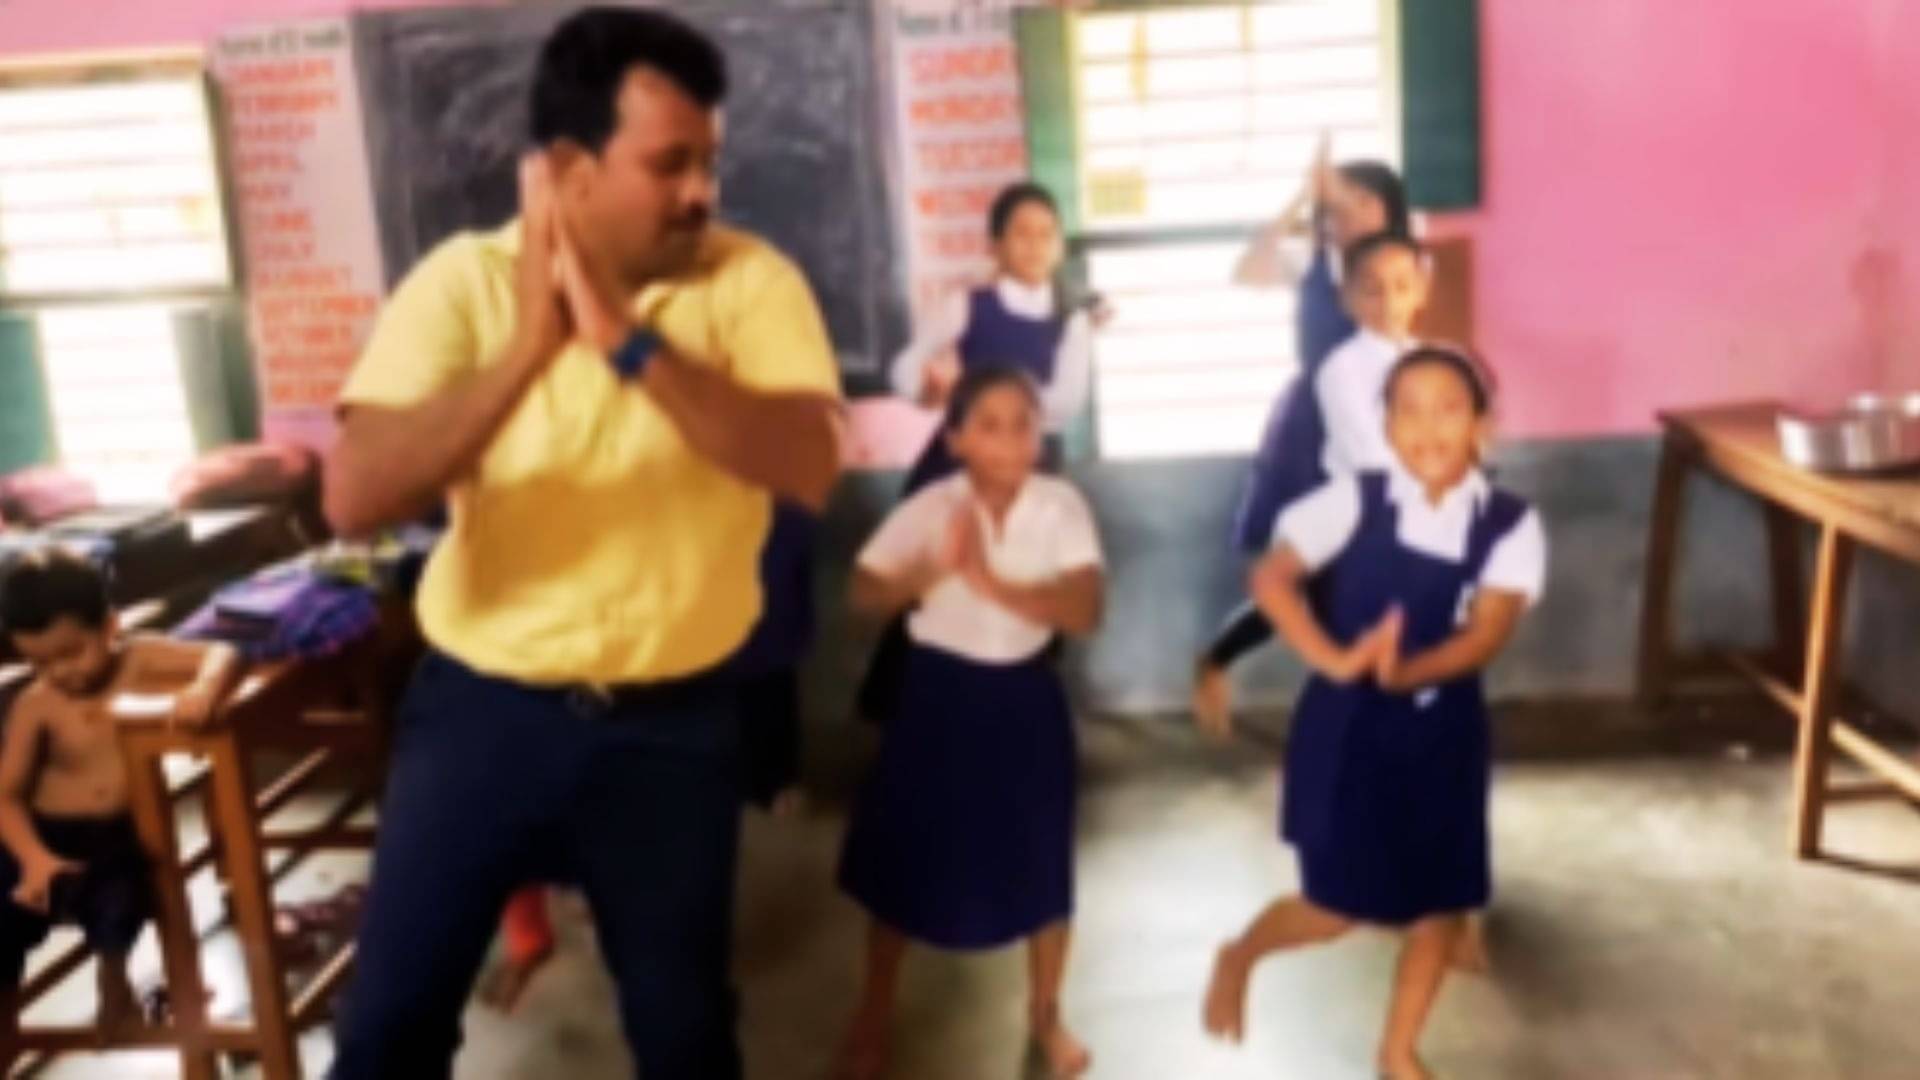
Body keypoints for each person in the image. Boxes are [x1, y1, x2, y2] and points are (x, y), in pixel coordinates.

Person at [321, 7, 844, 1077]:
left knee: (686, 1037)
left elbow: (810, 463)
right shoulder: (465, 283)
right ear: (570, 170)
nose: (700, 191)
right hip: (483, 715)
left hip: (673, 728)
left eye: (709, 162)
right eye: (670, 163)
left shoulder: (751, 282)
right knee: (386, 1036)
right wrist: (531, 345)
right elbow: (353, 494)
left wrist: (629, 342)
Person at [1200, 347, 1546, 1080]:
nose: (1428, 427)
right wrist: (1334, 661)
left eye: (1448, 408)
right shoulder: (1352, 501)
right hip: (1348, 734)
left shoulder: (1511, 526)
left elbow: (1486, 635)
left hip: (1443, 735)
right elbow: (1271, 579)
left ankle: (1398, 1052)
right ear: (1385, 427)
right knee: (1337, 906)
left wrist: (1408, 671)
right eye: (1407, 410)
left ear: (1482, 423)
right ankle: (1241, 954)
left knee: (1441, 905)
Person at [834, 368, 1104, 1080]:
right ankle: (871, 1018)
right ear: (954, 439)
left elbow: (1084, 610)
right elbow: (862, 594)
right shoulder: (932, 507)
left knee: (1041, 863)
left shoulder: (1060, 505)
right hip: (938, 699)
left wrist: (991, 583)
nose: (1010, 441)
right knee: (903, 862)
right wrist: (927, 573)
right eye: (989, 425)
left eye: (1023, 424)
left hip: (1024, 699)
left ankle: (1046, 1014)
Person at [1193, 145, 1412, 728]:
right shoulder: (1312, 264)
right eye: (1339, 203)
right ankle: (1223, 661)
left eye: (1364, 200)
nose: (1349, 211)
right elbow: (1247, 269)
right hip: (1309, 434)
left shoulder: (1403, 268)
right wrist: (1303, 197)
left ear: (1390, 211)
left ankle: (1354, 691)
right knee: (1304, 573)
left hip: (1380, 430)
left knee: (1354, 575)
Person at [0, 550, 241, 1058]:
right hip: (42, 834)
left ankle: (115, 981)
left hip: (111, 837)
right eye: (39, 661)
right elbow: (7, 796)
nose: (59, 671)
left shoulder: (140, 659)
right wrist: (34, 858)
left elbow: (221, 652)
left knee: (123, 891)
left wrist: (203, 688)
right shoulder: (37, 704)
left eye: (71, 652)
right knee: (2, 912)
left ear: (110, 626)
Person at [888, 181, 1101, 495]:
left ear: (1060, 246)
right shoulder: (966, 305)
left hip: (1032, 463)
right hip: (959, 466)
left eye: (1046, 234)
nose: (1035, 245)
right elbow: (904, 366)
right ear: (996, 245)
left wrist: (980, 403)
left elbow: (1066, 402)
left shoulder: (1073, 320)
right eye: (1022, 234)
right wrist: (926, 392)